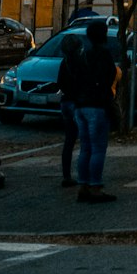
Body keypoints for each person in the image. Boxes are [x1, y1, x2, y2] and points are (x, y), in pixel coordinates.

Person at [70, 20, 118, 203]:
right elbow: (111, 75)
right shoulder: (103, 54)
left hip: (81, 105)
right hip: (97, 106)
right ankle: (95, 187)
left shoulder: (84, 55)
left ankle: (83, 186)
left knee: (85, 148)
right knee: (98, 148)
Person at [56, 32, 82, 187]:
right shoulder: (81, 62)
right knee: (85, 140)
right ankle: (84, 174)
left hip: (66, 102)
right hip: (77, 102)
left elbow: (60, 83)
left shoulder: (64, 63)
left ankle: (66, 175)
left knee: (69, 141)